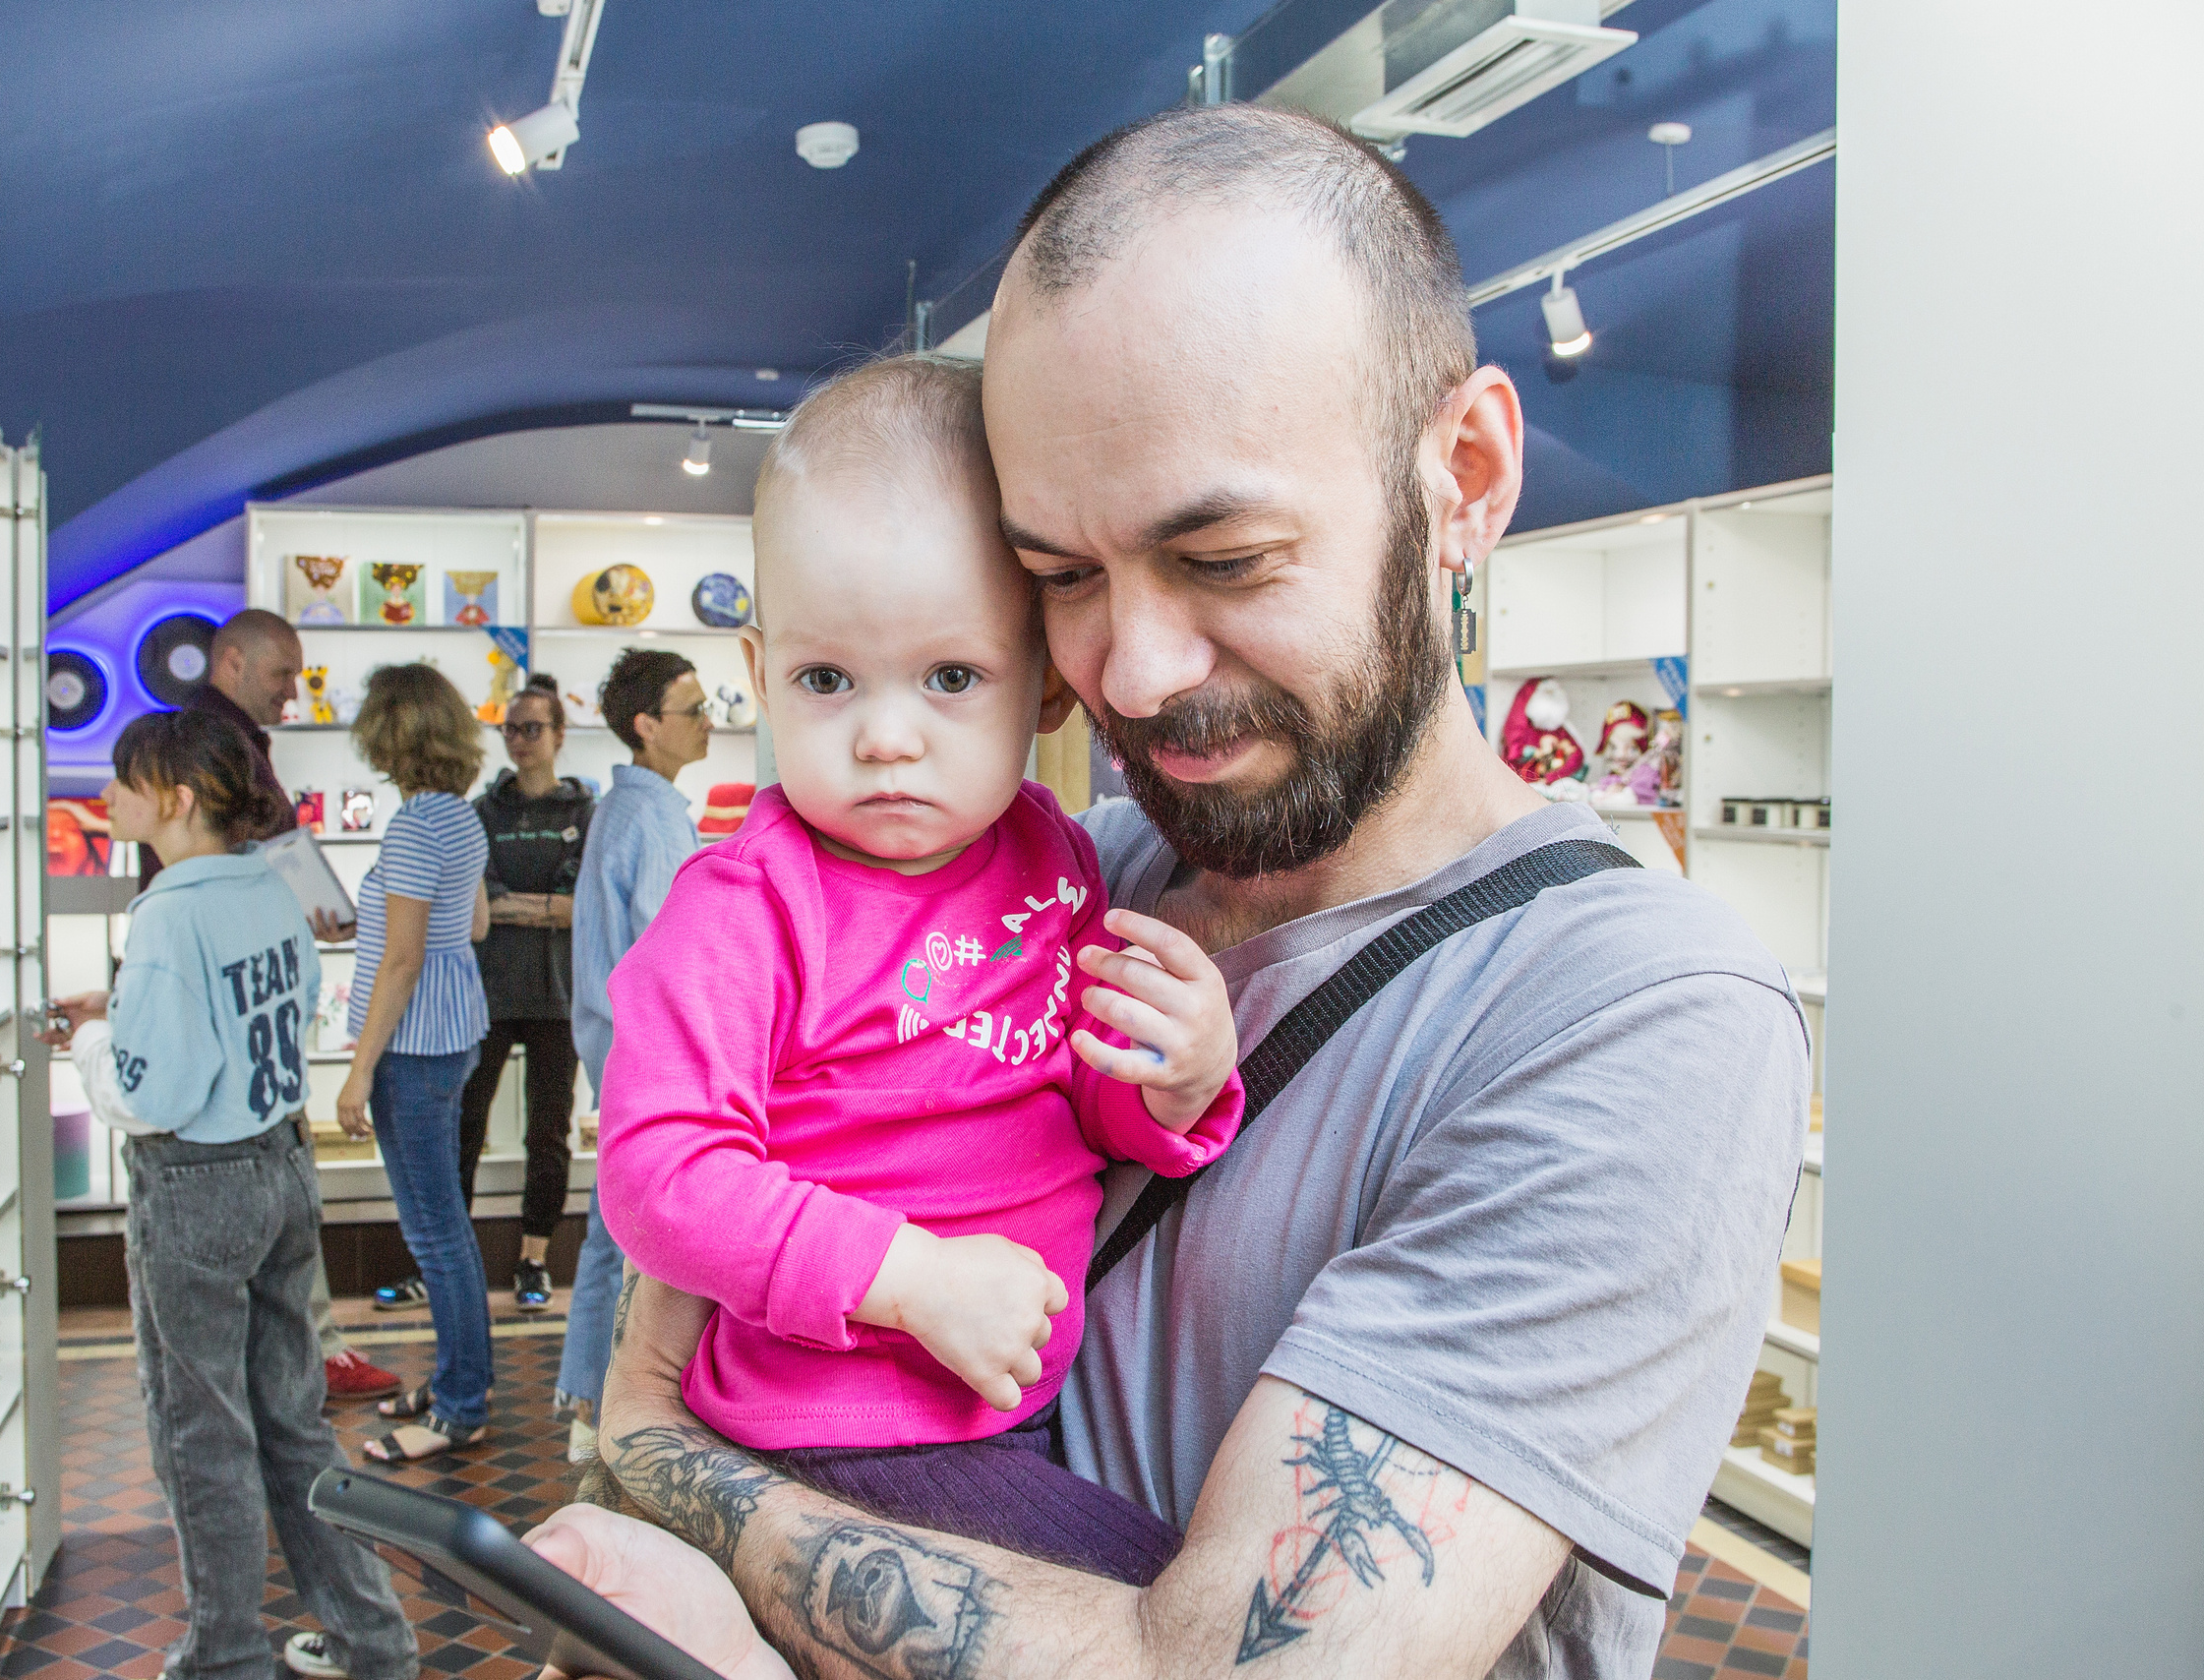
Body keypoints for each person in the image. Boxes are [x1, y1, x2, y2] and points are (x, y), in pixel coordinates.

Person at [541, 104, 1809, 1680]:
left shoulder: (1632, 1018)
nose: (1128, 673)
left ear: (1467, 477)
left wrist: (662, 1460)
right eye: (1063, 577)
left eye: (1224, 558)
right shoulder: (1073, 877)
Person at [596, 355, 1245, 1587]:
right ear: (757, 671)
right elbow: (658, 1174)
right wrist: (908, 1278)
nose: (885, 736)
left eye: (951, 677)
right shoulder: (749, 906)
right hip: (838, 1425)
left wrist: (1171, 1081)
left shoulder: (1051, 858)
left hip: (998, 1406)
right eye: (826, 678)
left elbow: (1059, 1095)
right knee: (1167, 1610)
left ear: (1047, 683)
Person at [44, 710, 416, 1680]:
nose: (109, 796)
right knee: (293, 1419)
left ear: (175, 796)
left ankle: (224, 1654)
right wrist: (123, 1009)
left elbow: (152, 1091)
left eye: (124, 780)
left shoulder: (166, 907)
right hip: (281, 1168)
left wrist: (89, 1040)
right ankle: (372, 1638)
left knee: (198, 1430)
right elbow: (245, 1012)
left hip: (194, 1186)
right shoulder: (265, 882)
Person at [139, 606, 397, 1403]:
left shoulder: (215, 742)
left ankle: (295, 1350)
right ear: (232, 664)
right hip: (230, 984)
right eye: (283, 674)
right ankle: (305, 1349)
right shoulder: (216, 747)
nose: (294, 692)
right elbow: (258, 847)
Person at [554, 646, 711, 1462]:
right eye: (692, 709)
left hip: (617, 1051)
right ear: (647, 726)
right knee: (632, 1235)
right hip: (645, 1060)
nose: (709, 719)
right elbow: (673, 954)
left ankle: (589, 1402)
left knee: (606, 1226)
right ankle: (613, 1413)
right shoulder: (648, 818)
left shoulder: (634, 810)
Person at [336, 663, 495, 1464]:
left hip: (412, 1049)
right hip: (452, 1035)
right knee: (447, 1228)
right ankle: (455, 1378)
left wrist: (358, 1068)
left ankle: (462, 1402)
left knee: (435, 1234)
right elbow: (469, 927)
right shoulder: (459, 820)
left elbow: (401, 960)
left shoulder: (411, 827)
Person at [456, 675, 593, 1308]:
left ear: (559, 736)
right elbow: (479, 903)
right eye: (510, 728)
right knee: (464, 1124)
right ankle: (447, 1258)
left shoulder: (582, 812)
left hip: (558, 996)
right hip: (485, 995)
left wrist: (523, 905)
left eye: (532, 728)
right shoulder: (483, 812)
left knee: (548, 1131)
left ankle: (534, 1259)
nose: (519, 740)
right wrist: (546, 905)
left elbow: (578, 907)